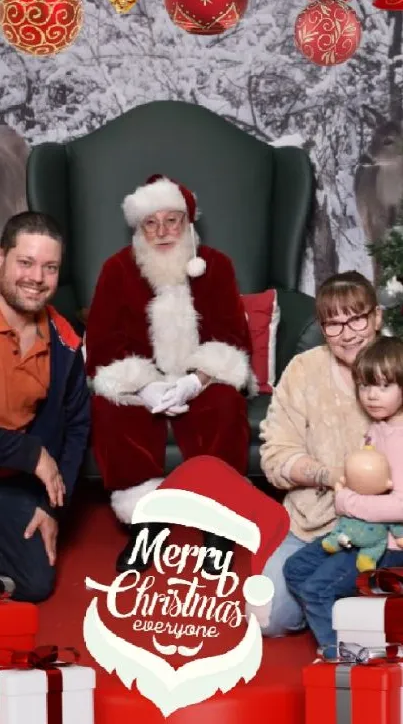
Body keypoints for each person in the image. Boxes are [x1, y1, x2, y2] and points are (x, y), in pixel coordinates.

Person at [85, 173, 254, 574]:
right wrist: (142, 386)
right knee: (110, 408)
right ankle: (148, 523)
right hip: (142, 380)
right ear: (139, 227)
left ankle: (217, 522)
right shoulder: (116, 269)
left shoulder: (218, 266)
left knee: (225, 403)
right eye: (151, 222)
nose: (162, 232)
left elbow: (233, 338)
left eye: (171, 220)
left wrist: (196, 380)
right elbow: (104, 344)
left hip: (199, 378)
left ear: (187, 221)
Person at [258, 270, 382, 637]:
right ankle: (338, 600)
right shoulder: (303, 369)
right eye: (334, 324)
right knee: (267, 617)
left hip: (386, 528)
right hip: (311, 526)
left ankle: (344, 600)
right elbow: (275, 456)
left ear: (377, 317)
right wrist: (330, 476)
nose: (348, 333)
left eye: (357, 318)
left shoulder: (399, 365)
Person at [283, 335, 403, 651]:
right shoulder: (378, 427)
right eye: (365, 386)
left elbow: (400, 505)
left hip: (387, 545)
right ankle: (353, 628)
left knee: (315, 589)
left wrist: (345, 501)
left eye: (384, 386)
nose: (372, 396)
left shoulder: (401, 439)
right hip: (356, 532)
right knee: (294, 569)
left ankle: (339, 655)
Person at [0, 212, 90, 601]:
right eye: (25, 262)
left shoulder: (65, 341)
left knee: (35, 583)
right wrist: (29, 451)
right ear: (1, 259)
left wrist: (50, 507)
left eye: (49, 267)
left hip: (11, 479)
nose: (37, 278)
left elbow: (77, 427)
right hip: (20, 458)